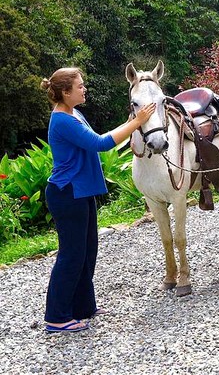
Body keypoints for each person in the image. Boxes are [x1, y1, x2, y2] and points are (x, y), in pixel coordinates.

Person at [40, 67, 155, 333]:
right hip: (67, 193)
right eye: (79, 86)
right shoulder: (63, 121)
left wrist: (133, 122)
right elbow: (102, 143)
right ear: (65, 92)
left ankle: (82, 307)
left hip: (80, 192)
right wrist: (136, 122)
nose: (84, 88)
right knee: (71, 255)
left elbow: (97, 139)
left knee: (88, 251)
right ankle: (56, 316)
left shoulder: (74, 113)